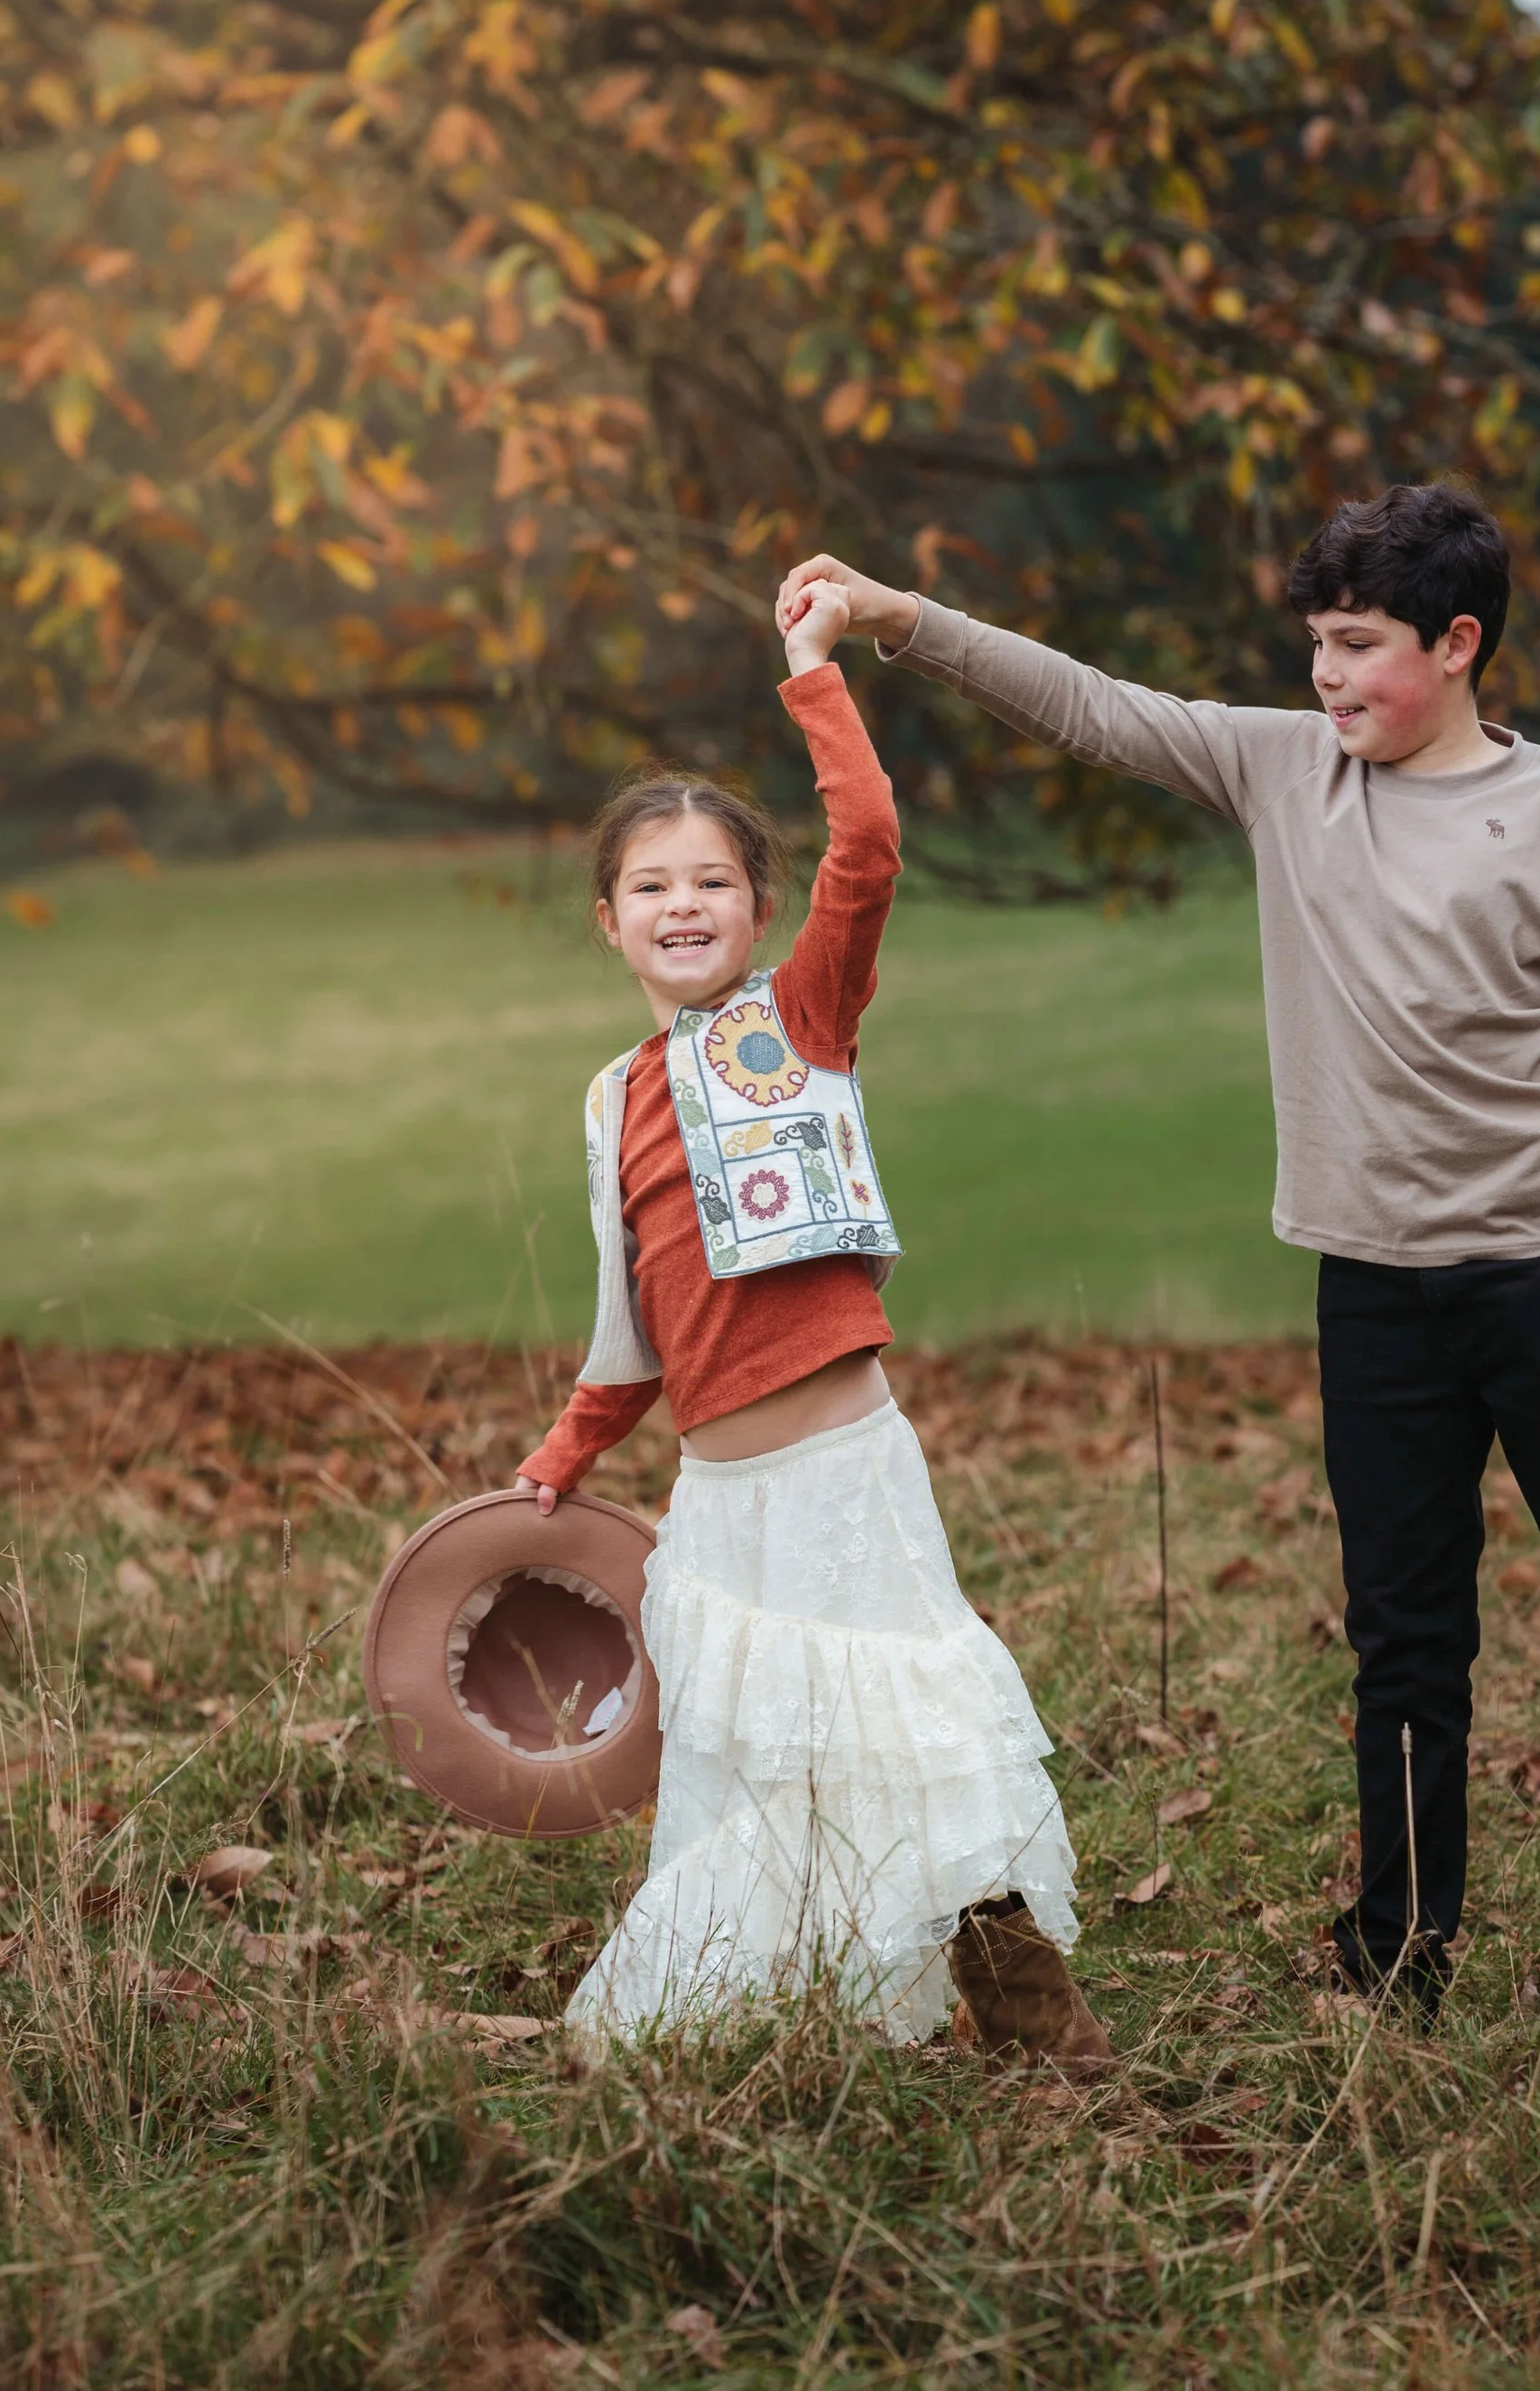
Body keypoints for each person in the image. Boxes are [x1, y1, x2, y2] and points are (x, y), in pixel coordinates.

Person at [778, 485, 1540, 2031]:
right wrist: (897, 618)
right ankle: (1396, 1972)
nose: (1325, 679)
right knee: (1404, 1644)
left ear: (1458, 644)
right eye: (1314, 645)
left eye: (1357, 647)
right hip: (1372, 1293)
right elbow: (1092, 708)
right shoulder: (1283, 770)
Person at [512, 576, 1113, 2075]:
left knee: (918, 1733)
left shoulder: (803, 1018)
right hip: (722, 1505)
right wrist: (568, 1452)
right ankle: (735, 2020)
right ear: (610, 923)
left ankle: (1034, 2020)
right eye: (652, 887)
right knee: (759, 1768)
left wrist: (812, 670)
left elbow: (873, 842)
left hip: (848, 1471)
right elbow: (627, 1318)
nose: (684, 906)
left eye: (711, 880)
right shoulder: (610, 1099)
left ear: (757, 910)